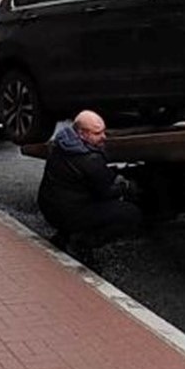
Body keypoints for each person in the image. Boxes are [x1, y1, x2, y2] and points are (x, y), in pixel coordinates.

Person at [37, 110, 142, 258]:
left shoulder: (59, 145)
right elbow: (106, 191)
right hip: (69, 212)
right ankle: (82, 243)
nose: (104, 137)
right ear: (82, 134)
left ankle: (64, 235)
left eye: (104, 131)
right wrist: (126, 187)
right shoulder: (89, 159)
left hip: (49, 207)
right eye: (98, 133)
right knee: (130, 214)